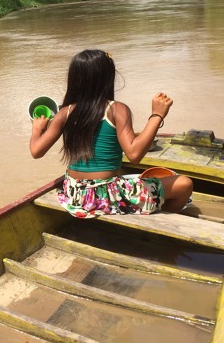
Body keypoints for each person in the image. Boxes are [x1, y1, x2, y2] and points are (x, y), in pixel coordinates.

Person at [30, 49, 193, 217]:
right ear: (107, 78)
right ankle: (161, 216)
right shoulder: (116, 109)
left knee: (123, 176)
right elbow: (134, 155)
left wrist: (37, 128)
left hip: (74, 193)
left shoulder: (64, 112)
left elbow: (36, 151)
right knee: (184, 184)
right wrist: (157, 115)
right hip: (107, 195)